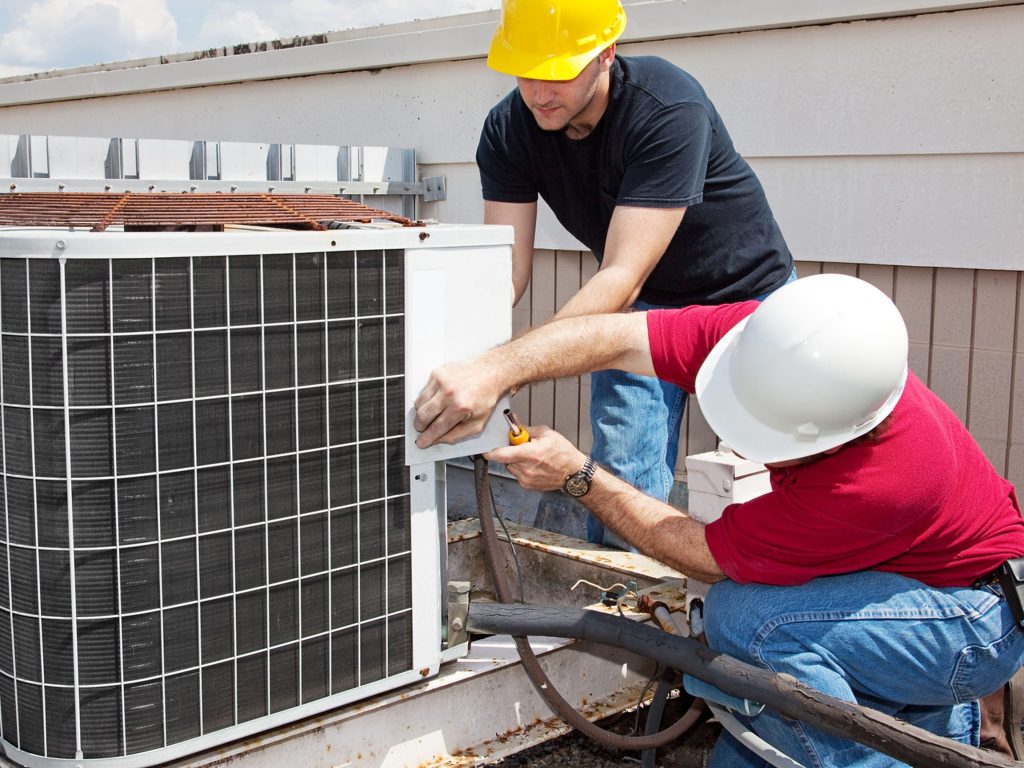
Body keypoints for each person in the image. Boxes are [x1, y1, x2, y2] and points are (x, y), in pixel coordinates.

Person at [413, 273, 1024, 766]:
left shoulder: (878, 483)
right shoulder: (771, 340)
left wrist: (579, 476)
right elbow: (614, 336)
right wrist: (497, 368)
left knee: (748, 623)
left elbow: (702, 552)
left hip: (971, 620)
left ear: (837, 437)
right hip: (911, 580)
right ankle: (921, 719)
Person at [478, 0, 794, 546]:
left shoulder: (666, 105)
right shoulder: (510, 127)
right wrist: (470, 357)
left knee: (778, 471)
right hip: (643, 307)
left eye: (558, 73)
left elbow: (622, 273)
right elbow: (507, 269)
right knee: (620, 475)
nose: (539, 93)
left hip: (748, 301)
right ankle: (627, 610)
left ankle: (767, 605)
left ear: (606, 54)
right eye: (526, 71)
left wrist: (504, 370)